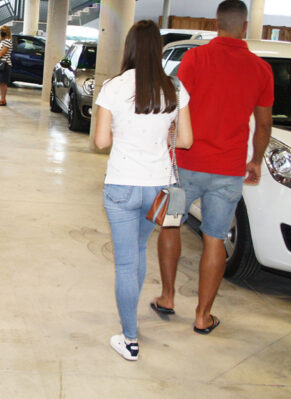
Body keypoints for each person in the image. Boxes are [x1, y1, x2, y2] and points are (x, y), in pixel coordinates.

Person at [154, 0, 273, 336]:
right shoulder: (261, 69)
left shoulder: (194, 58)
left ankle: (166, 297)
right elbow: (263, 126)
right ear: (245, 26)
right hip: (228, 171)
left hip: (185, 166)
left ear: (215, 24)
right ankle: (203, 316)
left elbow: (175, 106)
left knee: (171, 225)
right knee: (215, 239)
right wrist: (255, 160)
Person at [94, 20, 193, 361]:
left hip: (121, 184)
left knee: (125, 263)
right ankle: (131, 326)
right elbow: (185, 140)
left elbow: (101, 141)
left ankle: (130, 338)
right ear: (159, 49)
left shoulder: (113, 87)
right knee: (138, 252)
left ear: (130, 48)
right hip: (157, 187)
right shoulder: (175, 89)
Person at [0, 26, 12, 106]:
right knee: (0, 82)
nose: (1, 32)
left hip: (5, 64)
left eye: (3, 31)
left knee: (3, 83)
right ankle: (2, 99)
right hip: (0, 64)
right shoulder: (2, 41)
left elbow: (2, 53)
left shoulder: (7, 41)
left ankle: (3, 99)